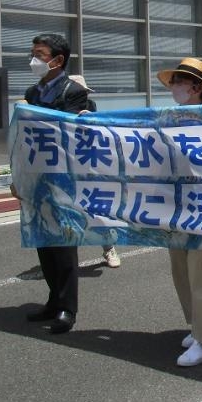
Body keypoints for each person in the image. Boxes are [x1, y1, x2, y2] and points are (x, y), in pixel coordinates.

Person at [16, 33, 92, 335]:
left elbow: (69, 130)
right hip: (36, 176)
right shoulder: (32, 92)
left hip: (63, 176)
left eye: (40, 53)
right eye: (33, 52)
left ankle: (67, 308)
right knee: (43, 240)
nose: (34, 59)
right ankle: (51, 299)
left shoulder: (73, 91)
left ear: (58, 60)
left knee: (63, 243)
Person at [156, 57, 202, 367]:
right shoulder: (169, 117)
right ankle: (196, 326)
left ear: (196, 87)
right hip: (177, 204)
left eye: (180, 82)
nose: (174, 87)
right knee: (180, 269)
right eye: (173, 82)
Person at [67, 74, 121, 269]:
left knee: (98, 209)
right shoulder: (57, 109)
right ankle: (66, 258)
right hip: (65, 167)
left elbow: (99, 132)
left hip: (90, 166)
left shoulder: (90, 106)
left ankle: (109, 248)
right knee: (66, 212)